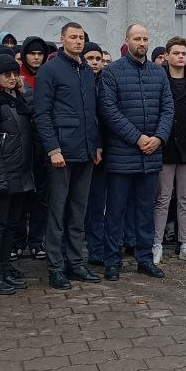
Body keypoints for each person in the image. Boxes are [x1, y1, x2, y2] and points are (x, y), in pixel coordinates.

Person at [99, 24, 174, 279]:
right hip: (122, 156)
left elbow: (168, 109)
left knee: (145, 211)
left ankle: (145, 259)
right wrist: (138, 138)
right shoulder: (112, 72)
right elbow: (109, 110)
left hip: (151, 155)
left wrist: (159, 137)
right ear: (127, 40)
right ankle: (112, 261)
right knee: (116, 212)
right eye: (137, 38)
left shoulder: (158, 73)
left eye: (145, 39)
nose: (142, 42)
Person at [33, 21, 102, 287]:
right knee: (57, 212)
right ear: (62, 39)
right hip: (61, 153)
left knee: (77, 211)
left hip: (84, 152)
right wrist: (53, 148)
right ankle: (56, 267)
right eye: (73, 37)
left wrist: (96, 145)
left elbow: (92, 113)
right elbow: (42, 113)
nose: (78, 41)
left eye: (81, 37)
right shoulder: (50, 70)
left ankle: (75, 263)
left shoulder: (86, 70)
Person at [0, 53, 37, 293]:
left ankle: (3, 268)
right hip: (2, 174)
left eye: (15, 73)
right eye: (6, 74)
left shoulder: (19, 99)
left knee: (12, 225)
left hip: (21, 173)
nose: (12, 78)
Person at [152, 37, 186, 264]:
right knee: (162, 198)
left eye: (183, 53)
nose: (181, 57)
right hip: (165, 147)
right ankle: (156, 244)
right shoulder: (158, 80)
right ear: (167, 55)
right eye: (176, 53)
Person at [15, 35, 51, 259]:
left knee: (42, 197)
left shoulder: (49, 76)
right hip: (22, 145)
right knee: (22, 197)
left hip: (44, 145)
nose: (36, 58)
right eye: (32, 54)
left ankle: (37, 241)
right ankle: (18, 240)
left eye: (40, 54)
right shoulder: (17, 79)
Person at [82, 41, 110, 266]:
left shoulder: (107, 83)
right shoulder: (79, 80)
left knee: (98, 204)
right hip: (82, 149)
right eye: (89, 58)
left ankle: (97, 249)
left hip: (104, 152)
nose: (94, 62)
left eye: (97, 59)